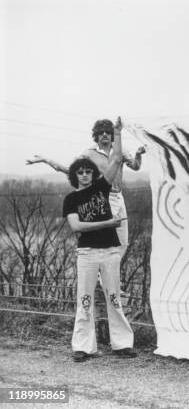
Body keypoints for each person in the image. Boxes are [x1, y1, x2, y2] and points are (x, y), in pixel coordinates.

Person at [62, 117, 137, 362]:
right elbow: (76, 226)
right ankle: (82, 346)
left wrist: (117, 132)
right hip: (87, 254)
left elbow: (116, 159)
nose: (84, 175)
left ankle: (122, 344)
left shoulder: (103, 188)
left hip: (110, 251)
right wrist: (108, 224)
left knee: (114, 298)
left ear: (94, 174)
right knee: (84, 300)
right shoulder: (71, 200)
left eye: (88, 171)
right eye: (80, 172)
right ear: (75, 175)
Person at [26, 119, 146, 258]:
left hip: (119, 197)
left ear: (112, 134)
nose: (105, 135)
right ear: (96, 135)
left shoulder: (120, 150)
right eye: (101, 133)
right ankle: (101, 272)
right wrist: (46, 160)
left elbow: (136, 167)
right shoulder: (88, 153)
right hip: (102, 197)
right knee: (108, 238)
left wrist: (138, 154)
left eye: (108, 132)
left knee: (123, 242)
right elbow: (70, 170)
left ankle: (110, 274)